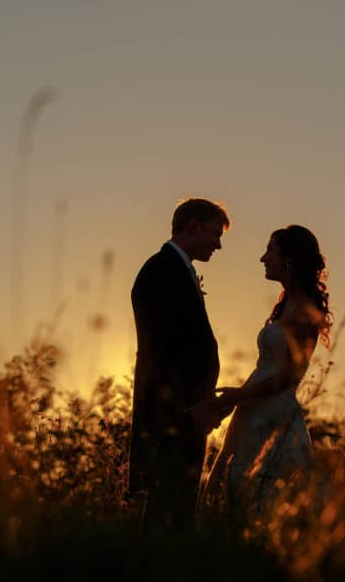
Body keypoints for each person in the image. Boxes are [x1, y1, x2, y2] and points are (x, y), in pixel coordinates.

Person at [204, 224, 333, 515]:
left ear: (289, 258)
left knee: (274, 493)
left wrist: (239, 395)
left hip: (276, 414)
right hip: (256, 408)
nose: (263, 258)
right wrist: (239, 401)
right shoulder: (285, 303)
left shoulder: (306, 308)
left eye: (270, 250)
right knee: (244, 488)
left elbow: (290, 376)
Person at [128, 197, 232, 531]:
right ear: (194, 226)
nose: (218, 244)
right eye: (215, 234)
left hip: (189, 412)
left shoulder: (178, 271)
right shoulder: (160, 271)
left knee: (178, 509)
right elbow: (160, 351)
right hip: (173, 415)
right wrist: (186, 410)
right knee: (167, 512)